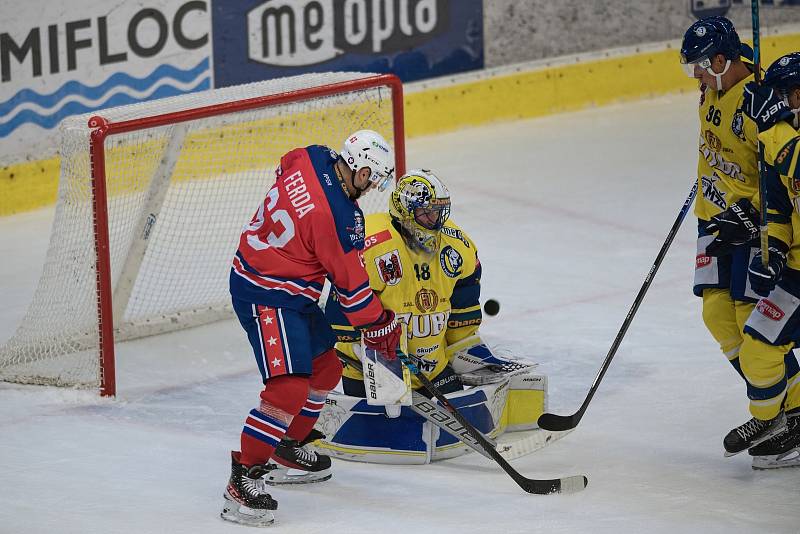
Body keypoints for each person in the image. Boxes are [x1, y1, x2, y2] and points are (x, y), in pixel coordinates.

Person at [221, 130, 403, 527]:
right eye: (373, 179)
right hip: (265, 291)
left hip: (290, 286)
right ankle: (243, 477)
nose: (373, 187)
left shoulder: (315, 156)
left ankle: (285, 445)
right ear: (361, 169)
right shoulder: (338, 217)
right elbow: (353, 294)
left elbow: (286, 162)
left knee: (326, 370)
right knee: (288, 388)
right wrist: (381, 323)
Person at [319, 169, 538, 462]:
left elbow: (466, 298)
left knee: (452, 441)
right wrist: (356, 344)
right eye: (426, 214)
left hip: (433, 366)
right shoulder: (373, 244)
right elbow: (340, 303)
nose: (434, 222)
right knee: (386, 436)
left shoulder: (455, 247)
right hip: (373, 364)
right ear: (404, 211)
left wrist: (465, 349)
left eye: (438, 213)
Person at [679, 16, 779, 451]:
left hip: (750, 225)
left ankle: (782, 411)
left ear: (721, 59)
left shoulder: (762, 103)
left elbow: (781, 171)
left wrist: (756, 210)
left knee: (749, 322)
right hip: (712, 216)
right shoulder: (713, 87)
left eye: (700, 65)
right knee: (717, 316)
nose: (696, 76)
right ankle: (775, 401)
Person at [730, 52, 800, 467]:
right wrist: (772, 248)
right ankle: (778, 419)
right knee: (757, 347)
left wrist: (773, 129)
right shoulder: (780, 143)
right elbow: (778, 209)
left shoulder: (782, 141)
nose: (777, 106)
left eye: (783, 97)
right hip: (797, 271)